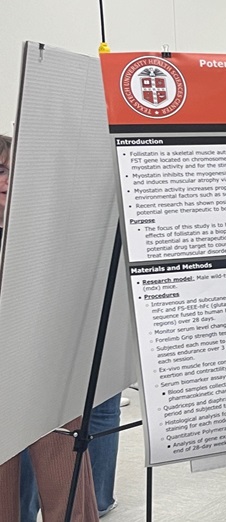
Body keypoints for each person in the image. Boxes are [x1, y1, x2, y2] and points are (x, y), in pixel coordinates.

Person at [0, 135, 100, 522]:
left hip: (51, 371)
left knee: (68, 489)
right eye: (0, 170)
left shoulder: (49, 228)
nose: (7, 180)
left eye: (12, 169)